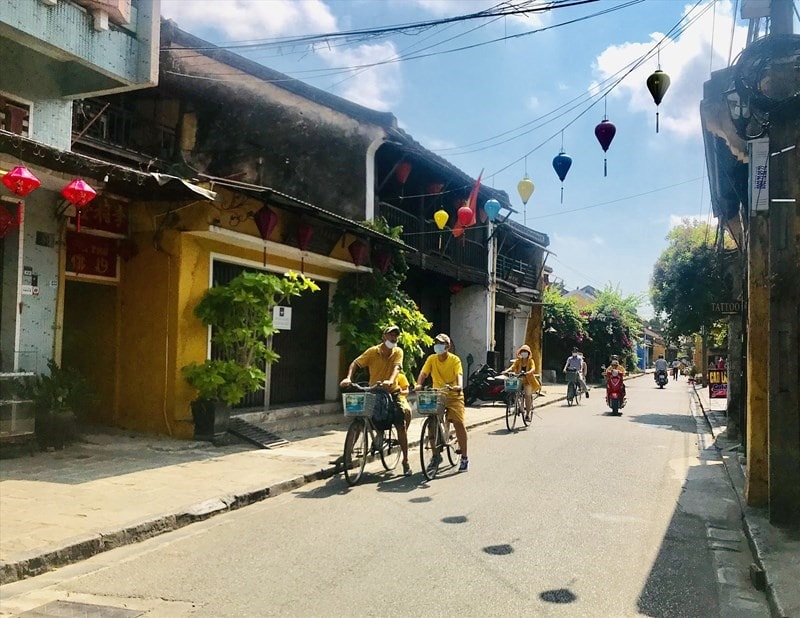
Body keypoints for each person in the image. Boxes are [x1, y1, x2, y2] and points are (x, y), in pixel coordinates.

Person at [340, 325, 412, 476]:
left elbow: (397, 368)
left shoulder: (398, 351)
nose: (393, 338)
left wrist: (390, 381)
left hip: (391, 392)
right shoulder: (373, 351)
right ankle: (347, 455)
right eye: (390, 335)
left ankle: (405, 461)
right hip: (374, 391)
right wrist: (348, 377)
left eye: (395, 336)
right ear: (384, 337)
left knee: (400, 423)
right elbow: (355, 363)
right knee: (360, 419)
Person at [415, 333, 469, 472]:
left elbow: (459, 375)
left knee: (458, 423)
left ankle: (464, 456)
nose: (438, 346)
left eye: (441, 344)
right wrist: (418, 384)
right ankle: (435, 456)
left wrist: (459, 386)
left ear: (447, 346)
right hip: (437, 395)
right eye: (436, 343)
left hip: (453, 394)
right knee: (431, 422)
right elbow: (423, 373)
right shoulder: (432, 359)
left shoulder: (454, 360)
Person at [501, 344, 541, 422]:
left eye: (526, 352)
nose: (524, 353)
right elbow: (512, 367)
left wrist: (529, 372)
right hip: (518, 380)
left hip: (528, 381)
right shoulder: (518, 361)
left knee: (527, 395)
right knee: (513, 391)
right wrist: (506, 371)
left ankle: (528, 414)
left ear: (529, 353)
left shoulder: (531, 361)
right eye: (522, 352)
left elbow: (533, 368)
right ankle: (517, 405)